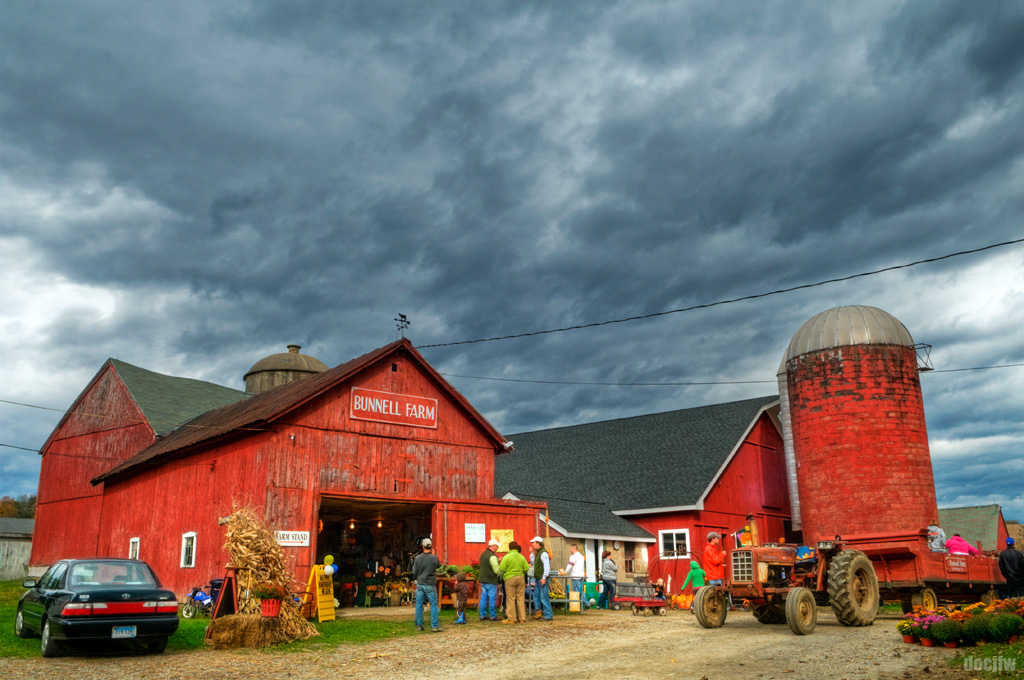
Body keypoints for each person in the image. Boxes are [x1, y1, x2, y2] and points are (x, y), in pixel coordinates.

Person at [412, 538, 442, 632]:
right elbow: (440, 568)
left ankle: (419, 625)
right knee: (433, 605)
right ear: (430, 546)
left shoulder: (417, 558)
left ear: (423, 546)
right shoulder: (434, 558)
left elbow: (414, 572)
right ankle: (434, 626)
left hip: (421, 583)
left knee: (419, 605)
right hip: (430, 583)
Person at [499, 540, 529, 624]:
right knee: (520, 598)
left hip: (510, 578)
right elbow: (526, 568)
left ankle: (511, 619)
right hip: (520, 578)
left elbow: (501, 568)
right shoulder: (521, 557)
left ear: (509, 548)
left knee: (511, 598)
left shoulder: (507, 557)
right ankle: (522, 618)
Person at [529, 536, 554, 621]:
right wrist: (532, 553)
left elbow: (547, 566)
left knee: (543, 597)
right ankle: (538, 612)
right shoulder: (539, 553)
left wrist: (544, 577)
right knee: (536, 596)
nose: (532, 544)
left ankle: (548, 615)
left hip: (541, 578)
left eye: (534, 543)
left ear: (538, 543)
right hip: (538, 578)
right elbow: (533, 562)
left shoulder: (543, 553)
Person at [478, 538, 502, 622]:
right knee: (492, 598)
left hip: (483, 579)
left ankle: (482, 615)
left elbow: (486, 564)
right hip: (491, 580)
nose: (497, 548)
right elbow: (496, 570)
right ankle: (493, 615)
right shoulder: (492, 556)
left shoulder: (484, 554)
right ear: (492, 546)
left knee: (483, 598)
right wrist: (502, 574)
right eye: (496, 546)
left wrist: (497, 560)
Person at [564, 543, 587, 609]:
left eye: (571, 549)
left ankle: (585, 603)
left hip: (575, 576)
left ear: (573, 549)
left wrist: (565, 572)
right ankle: (582, 604)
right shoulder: (581, 556)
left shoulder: (573, 557)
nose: (570, 551)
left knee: (577, 591)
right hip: (581, 575)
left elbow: (570, 566)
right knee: (581, 590)